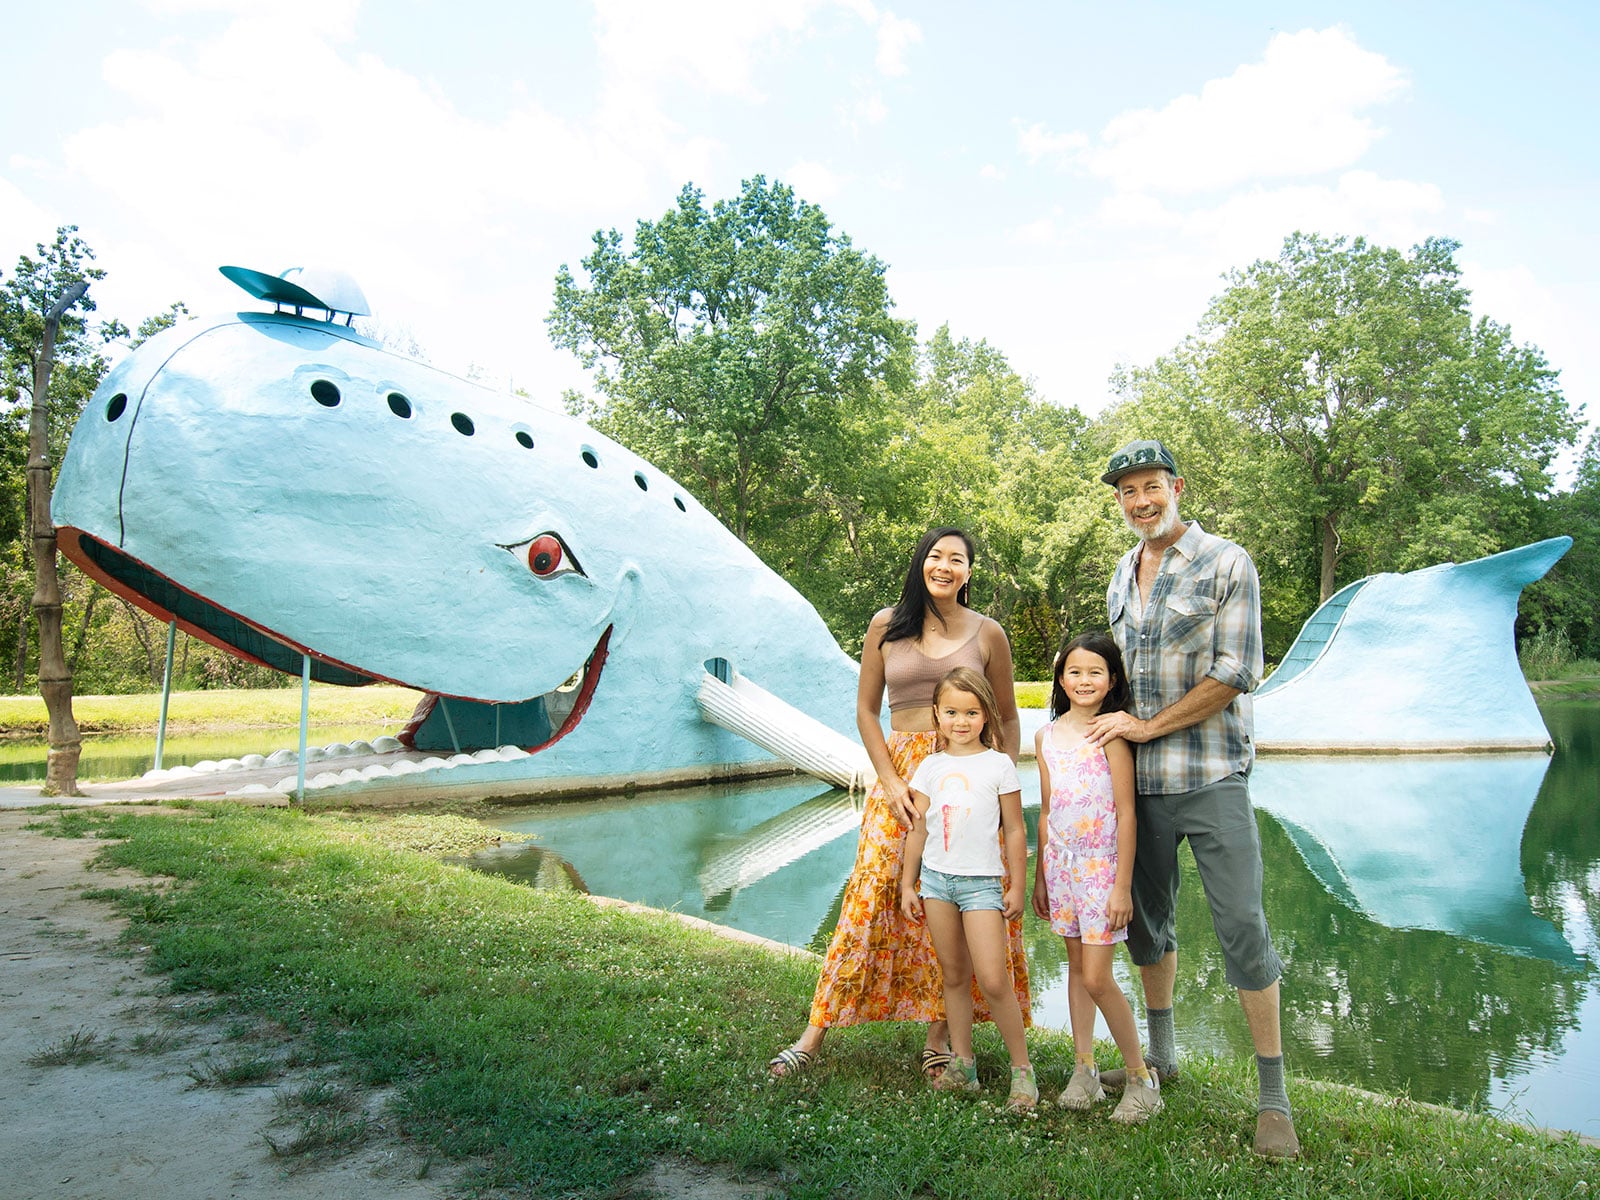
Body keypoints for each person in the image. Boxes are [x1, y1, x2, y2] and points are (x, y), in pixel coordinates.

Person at [1086, 439, 1299, 1158]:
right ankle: (1162, 1059)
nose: (1140, 500)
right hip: (1138, 788)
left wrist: (1149, 726)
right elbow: (1114, 679)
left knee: (1243, 926)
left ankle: (1274, 1100)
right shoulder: (1121, 571)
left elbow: (1238, 671)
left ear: (1177, 486)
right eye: (1127, 492)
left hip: (1210, 777)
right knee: (1148, 927)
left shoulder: (1226, 561)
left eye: (1150, 486)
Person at [768, 527, 1030, 1079]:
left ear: (968, 572)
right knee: (870, 894)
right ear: (921, 562)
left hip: (968, 778)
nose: (945, 566)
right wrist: (889, 781)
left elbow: (1006, 717)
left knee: (956, 899)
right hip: (903, 776)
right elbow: (867, 710)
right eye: (936, 555)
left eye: (957, 559)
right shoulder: (886, 625)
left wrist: (1001, 787)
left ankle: (942, 1036)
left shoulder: (988, 634)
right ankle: (815, 1032)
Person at [1030, 631, 1161, 1123]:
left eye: (1095, 673)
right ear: (1061, 678)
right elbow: (1046, 811)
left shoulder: (1112, 733)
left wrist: (1122, 884)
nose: (1083, 681)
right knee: (1074, 970)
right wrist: (1041, 875)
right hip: (1061, 869)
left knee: (1097, 976)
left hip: (1102, 871)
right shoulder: (1045, 736)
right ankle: (1083, 1068)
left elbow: (1127, 814)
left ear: (1111, 681)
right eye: (1074, 672)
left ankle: (1140, 1079)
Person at [899, 667, 1036, 1110]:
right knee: (954, 975)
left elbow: (1015, 830)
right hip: (937, 883)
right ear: (937, 715)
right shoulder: (930, 767)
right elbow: (917, 831)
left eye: (972, 712)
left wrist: (1017, 885)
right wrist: (908, 883)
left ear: (986, 715)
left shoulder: (998, 765)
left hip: (981, 886)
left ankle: (1022, 1072)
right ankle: (964, 1063)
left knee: (994, 980)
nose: (961, 721)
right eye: (952, 712)